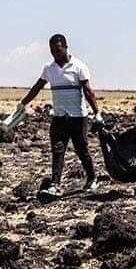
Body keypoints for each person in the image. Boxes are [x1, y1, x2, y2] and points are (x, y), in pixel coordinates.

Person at [17, 34, 103, 196]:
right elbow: (37, 87)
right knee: (58, 150)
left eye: (58, 50)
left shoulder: (78, 66)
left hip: (78, 117)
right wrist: (23, 103)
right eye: (52, 51)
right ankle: (55, 184)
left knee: (81, 149)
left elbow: (88, 92)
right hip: (59, 117)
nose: (55, 54)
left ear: (65, 47)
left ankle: (92, 178)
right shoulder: (49, 68)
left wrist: (97, 113)